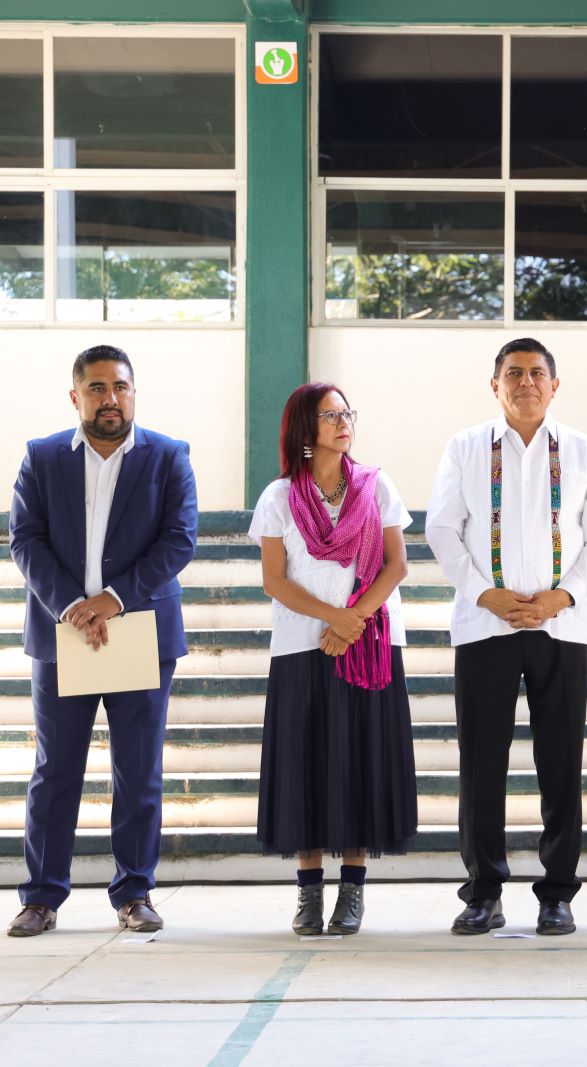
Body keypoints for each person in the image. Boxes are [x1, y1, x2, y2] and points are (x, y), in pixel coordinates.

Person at [426, 338, 587, 936]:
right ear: (495, 386)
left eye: (538, 373)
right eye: (514, 373)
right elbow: (441, 527)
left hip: (560, 624)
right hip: (486, 621)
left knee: (560, 760)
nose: (526, 383)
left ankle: (557, 892)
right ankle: (483, 889)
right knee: (481, 762)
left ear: (555, 386)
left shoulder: (585, 450)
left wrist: (563, 597)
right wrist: (484, 594)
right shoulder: (465, 447)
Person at [6, 345, 198, 937]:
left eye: (119, 386)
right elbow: (25, 540)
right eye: (96, 388)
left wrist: (112, 599)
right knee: (55, 771)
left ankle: (134, 892)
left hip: (138, 630)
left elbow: (179, 540)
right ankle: (41, 898)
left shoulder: (169, 457)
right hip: (63, 635)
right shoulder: (41, 458)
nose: (109, 398)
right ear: (75, 396)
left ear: (133, 392)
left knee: (137, 772)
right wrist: (72, 607)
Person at [248, 382, 417, 937]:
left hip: (368, 642)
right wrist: (331, 616)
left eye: (348, 413)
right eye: (330, 414)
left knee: (362, 763)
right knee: (306, 766)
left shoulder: (376, 485)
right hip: (302, 645)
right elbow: (275, 580)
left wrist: (354, 619)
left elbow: (396, 565)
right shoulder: (278, 498)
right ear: (304, 426)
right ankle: (308, 894)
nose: (344, 422)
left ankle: (352, 892)